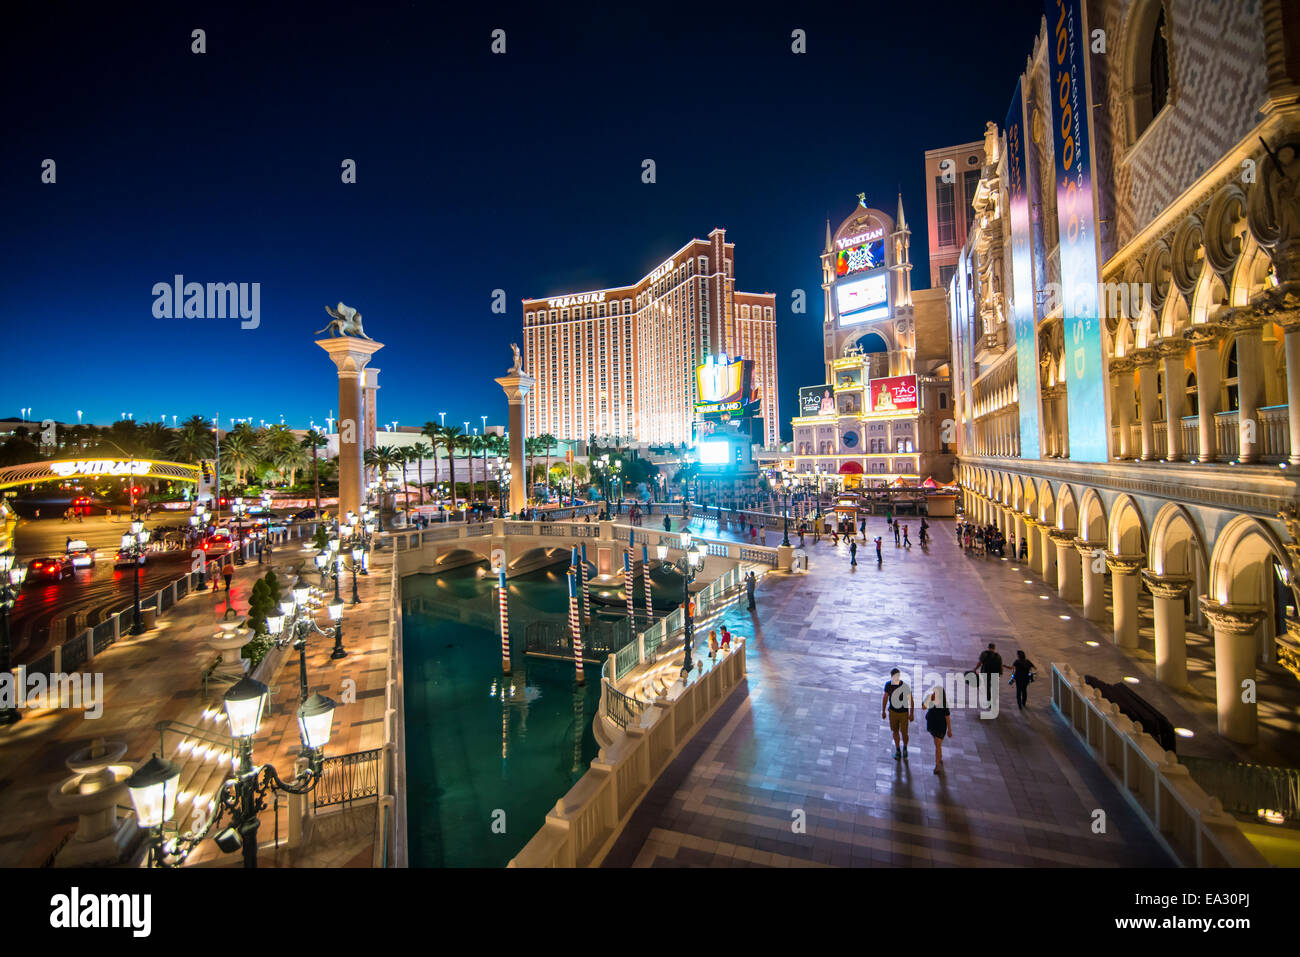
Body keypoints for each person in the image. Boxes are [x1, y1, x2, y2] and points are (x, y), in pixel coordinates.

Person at [881, 668, 914, 760]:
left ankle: (905, 748)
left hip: (903, 712)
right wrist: (883, 711)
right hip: (893, 712)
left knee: (904, 733)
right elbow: (885, 698)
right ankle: (898, 749)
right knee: (895, 731)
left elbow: (911, 700)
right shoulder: (888, 685)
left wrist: (911, 713)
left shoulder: (904, 686)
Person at [924, 686, 952, 773]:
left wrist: (949, 730)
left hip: (940, 727)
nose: (934, 694)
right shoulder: (931, 700)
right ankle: (939, 758)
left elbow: (947, 717)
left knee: (938, 745)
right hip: (932, 725)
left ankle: (937, 765)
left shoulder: (944, 704)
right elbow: (923, 707)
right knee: (937, 745)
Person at [977, 642, 1004, 710]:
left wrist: (975, 669)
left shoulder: (984, 654)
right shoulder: (998, 656)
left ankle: (989, 701)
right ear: (994, 648)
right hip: (995, 674)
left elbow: (980, 663)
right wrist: (1001, 673)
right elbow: (1001, 665)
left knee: (987, 688)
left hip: (986, 673)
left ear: (988, 647)